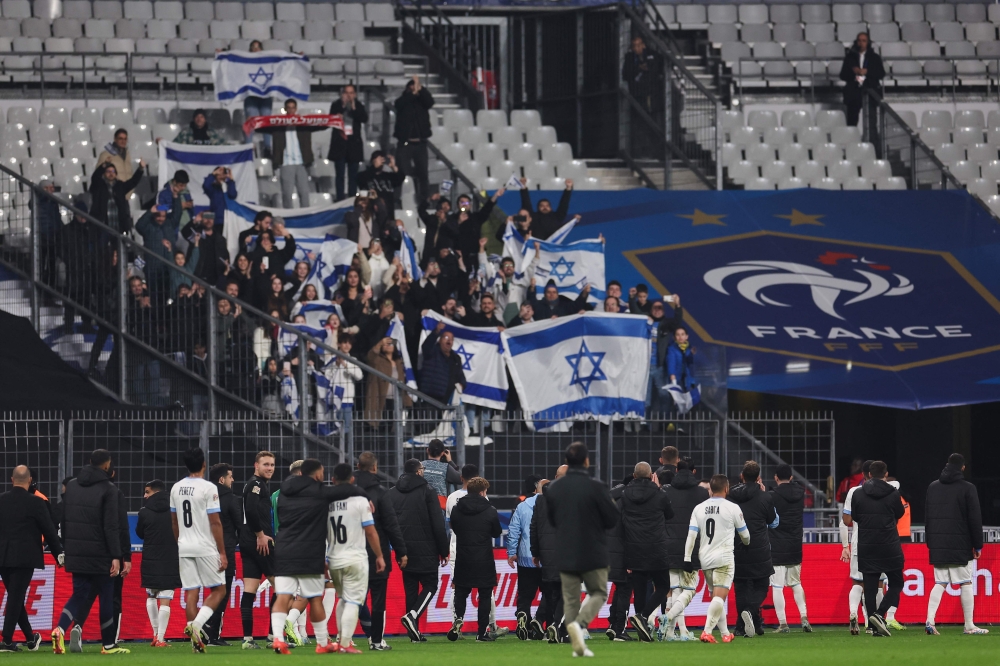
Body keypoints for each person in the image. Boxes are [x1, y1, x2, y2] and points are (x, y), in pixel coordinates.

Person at [270, 460, 373, 654]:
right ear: (317, 475)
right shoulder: (319, 492)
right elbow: (345, 490)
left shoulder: (283, 492)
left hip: (284, 549)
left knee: (283, 596)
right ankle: (322, 642)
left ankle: (277, 638)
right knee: (315, 598)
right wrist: (366, 495)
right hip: (310, 552)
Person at [544, 442, 620, 658]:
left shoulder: (555, 488)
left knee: (570, 598)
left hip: (565, 550)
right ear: (587, 461)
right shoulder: (597, 486)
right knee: (598, 592)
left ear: (567, 462)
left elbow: (552, 520)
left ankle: (575, 643)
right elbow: (612, 518)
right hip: (593, 550)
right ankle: (579, 624)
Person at [52, 449, 126, 654]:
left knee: (78, 595)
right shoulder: (108, 489)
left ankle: (59, 629)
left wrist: (68, 547)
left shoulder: (73, 486)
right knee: (106, 595)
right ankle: (109, 644)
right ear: (106, 465)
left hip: (76, 551)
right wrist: (116, 556)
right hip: (101, 553)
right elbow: (111, 526)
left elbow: (65, 520)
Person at [169, 447, 228, 652]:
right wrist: (222, 552)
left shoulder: (176, 488)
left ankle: (196, 643)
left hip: (184, 546)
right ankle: (196, 625)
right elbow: (215, 522)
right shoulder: (208, 488)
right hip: (205, 546)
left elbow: (174, 521)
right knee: (219, 589)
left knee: (191, 592)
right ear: (204, 464)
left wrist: (180, 543)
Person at [0, 465, 62, 652]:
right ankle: (7, 641)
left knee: (15, 597)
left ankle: (29, 637)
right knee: (16, 597)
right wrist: (59, 554)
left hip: (2, 556)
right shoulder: (36, 502)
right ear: (29, 481)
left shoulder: (1, 500)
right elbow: (49, 530)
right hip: (25, 557)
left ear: (12, 480)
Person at [924, 453, 987, 635]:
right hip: (960, 543)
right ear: (963, 467)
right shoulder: (968, 488)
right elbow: (974, 518)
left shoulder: (933, 487)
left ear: (946, 465)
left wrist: (931, 542)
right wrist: (978, 544)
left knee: (940, 582)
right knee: (966, 582)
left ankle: (930, 620)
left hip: (938, 543)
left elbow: (928, 517)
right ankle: (969, 625)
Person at [387, 458, 449, 643]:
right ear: (419, 472)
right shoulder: (427, 491)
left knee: (411, 590)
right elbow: (438, 524)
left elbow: (390, 523)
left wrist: (398, 549)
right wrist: (443, 549)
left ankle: (414, 633)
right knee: (431, 585)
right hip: (427, 548)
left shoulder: (392, 493)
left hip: (403, 549)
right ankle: (412, 616)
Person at [685, 474, 750, 643]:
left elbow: (691, 536)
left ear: (711, 489)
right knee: (719, 598)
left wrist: (686, 557)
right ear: (727, 488)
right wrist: (744, 541)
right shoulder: (732, 508)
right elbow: (746, 536)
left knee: (716, 597)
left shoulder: (698, 508)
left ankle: (725, 634)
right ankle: (707, 631)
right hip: (724, 558)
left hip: (705, 558)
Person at [843, 460, 904, 638]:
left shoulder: (858, 494)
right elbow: (900, 513)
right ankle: (880, 614)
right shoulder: (892, 493)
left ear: (869, 474)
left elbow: (855, 517)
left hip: (866, 544)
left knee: (868, 587)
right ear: (886, 475)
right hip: (889, 544)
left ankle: (872, 624)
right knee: (897, 582)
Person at [353, 452, 407, 651]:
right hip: (377, 555)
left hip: (350, 553)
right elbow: (391, 525)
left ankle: (345, 639)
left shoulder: (345, 491)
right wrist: (401, 552)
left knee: (352, 599)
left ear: (358, 466)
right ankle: (376, 641)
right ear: (374, 468)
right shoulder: (380, 491)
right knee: (378, 600)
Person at [622, 462, 674, 643]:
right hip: (656, 547)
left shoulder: (625, 494)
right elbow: (670, 514)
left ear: (634, 476)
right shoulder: (660, 494)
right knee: (663, 586)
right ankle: (642, 617)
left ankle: (641, 627)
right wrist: (657, 488)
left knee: (639, 588)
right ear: (652, 475)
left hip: (633, 548)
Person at [658, 459, 709, 641]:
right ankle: (677, 628)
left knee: (673, 589)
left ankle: (673, 632)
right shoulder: (702, 493)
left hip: (669, 545)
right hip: (692, 548)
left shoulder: (666, 491)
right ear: (693, 472)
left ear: (676, 470)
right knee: (687, 590)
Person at [447, 477, 503, 642]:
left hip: (463, 556)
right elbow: (496, 532)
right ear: (482, 492)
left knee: (461, 592)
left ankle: (458, 620)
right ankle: (481, 633)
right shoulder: (490, 510)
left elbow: (455, 528)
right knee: (485, 594)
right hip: (483, 557)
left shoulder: (457, 509)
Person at [728, 460, 777, 638]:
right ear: (758, 478)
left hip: (736, 546)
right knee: (762, 585)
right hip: (759, 547)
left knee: (741, 587)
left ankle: (743, 627)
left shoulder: (730, 496)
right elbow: (773, 521)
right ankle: (750, 612)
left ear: (742, 476)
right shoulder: (765, 497)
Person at [134, 479, 180, 648]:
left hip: (150, 557)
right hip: (171, 556)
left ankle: (155, 635)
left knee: (151, 594)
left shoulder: (144, 511)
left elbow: (139, 533)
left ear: (154, 492)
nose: (145, 496)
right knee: (166, 598)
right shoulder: (175, 509)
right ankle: (160, 638)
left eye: (147, 492)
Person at [239, 451, 277, 648]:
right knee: (282, 588)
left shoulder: (255, 484)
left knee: (249, 590)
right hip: (259, 543)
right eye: (266, 464)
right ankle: (273, 637)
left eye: (272, 464)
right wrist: (260, 535)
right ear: (256, 465)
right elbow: (251, 509)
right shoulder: (256, 484)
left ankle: (247, 640)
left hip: (247, 543)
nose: (270, 468)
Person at [203, 463, 243, 646]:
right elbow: (239, 526)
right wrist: (236, 540)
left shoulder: (203, 498)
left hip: (204, 549)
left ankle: (206, 627)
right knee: (223, 593)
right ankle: (211, 632)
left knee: (213, 591)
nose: (232, 480)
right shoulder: (232, 499)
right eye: (230, 476)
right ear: (222, 479)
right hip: (224, 550)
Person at [769, 464, 811, 633]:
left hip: (777, 545)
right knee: (796, 583)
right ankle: (804, 617)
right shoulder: (800, 494)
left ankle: (783, 623)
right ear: (791, 477)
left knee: (777, 586)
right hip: (795, 544)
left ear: (776, 477)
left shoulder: (772, 496)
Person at [530, 469, 566, 642]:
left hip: (547, 552)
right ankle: (557, 627)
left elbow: (534, 527)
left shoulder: (541, 499)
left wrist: (536, 552)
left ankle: (548, 624)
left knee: (551, 591)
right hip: (569, 552)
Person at [506, 475, 544, 641]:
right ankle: (540, 622)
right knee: (550, 594)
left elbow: (514, 531)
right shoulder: (553, 506)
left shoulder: (522, 506)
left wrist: (511, 552)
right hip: (546, 558)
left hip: (525, 557)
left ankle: (524, 618)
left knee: (525, 595)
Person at [839, 32, 884, 154]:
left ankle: (874, 148)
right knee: (852, 120)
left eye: (864, 40)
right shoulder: (850, 57)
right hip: (854, 92)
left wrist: (867, 72)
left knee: (872, 121)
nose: (861, 43)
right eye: (859, 40)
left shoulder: (874, 57)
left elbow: (881, 73)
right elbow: (842, 75)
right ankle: (851, 147)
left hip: (870, 92)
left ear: (868, 42)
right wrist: (854, 73)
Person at [394, 75, 434, 205]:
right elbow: (399, 104)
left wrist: (420, 89)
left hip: (420, 144)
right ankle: (398, 199)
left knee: (423, 174)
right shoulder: (403, 101)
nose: (414, 89)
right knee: (401, 173)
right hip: (405, 144)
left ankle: (423, 200)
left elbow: (430, 101)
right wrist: (413, 93)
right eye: (412, 87)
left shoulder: (422, 103)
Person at [328, 84, 368, 201]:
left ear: (355, 94)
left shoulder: (359, 105)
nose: (349, 95)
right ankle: (340, 199)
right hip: (340, 144)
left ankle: (351, 199)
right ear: (342, 93)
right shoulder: (336, 105)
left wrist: (353, 107)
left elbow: (363, 118)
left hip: (353, 146)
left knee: (353, 176)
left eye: (351, 93)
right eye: (346, 92)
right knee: (340, 175)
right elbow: (330, 120)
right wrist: (343, 106)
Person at [272, 99, 313, 209]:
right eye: (288, 108)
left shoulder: (303, 124)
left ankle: (306, 216)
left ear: (296, 109)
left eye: (293, 107)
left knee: (304, 193)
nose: (291, 110)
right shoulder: (278, 125)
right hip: (286, 162)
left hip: (301, 163)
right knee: (287, 194)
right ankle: (289, 218)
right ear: (285, 109)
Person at [88, 160, 146, 235]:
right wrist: (103, 166)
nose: (111, 173)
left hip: (118, 227)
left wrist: (140, 169)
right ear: (104, 173)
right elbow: (95, 177)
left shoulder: (120, 186)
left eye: (113, 171)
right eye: (108, 171)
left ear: (116, 174)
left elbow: (133, 182)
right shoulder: (98, 185)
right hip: (101, 227)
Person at [419, 323, 467, 407]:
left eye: (451, 339)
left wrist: (462, 384)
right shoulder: (432, 351)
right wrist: (436, 331)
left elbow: (460, 375)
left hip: (447, 400)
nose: (449, 340)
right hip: (430, 398)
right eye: (446, 337)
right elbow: (426, 346)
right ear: (440, 340)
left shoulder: (456, 358)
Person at [622, 36, 663, 117]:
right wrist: (638, 68)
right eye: (634, 46)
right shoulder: (629, 57)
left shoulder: (652, 55)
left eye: (638, 45)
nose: (636, 48)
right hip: (635, 91)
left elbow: (658, 67)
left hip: (650, 91)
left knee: (650, 113)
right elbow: (625, 74)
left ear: (643, 45)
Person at [244, 39, 274, 151]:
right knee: (250, 121)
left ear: (261, 49)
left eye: (258, 46)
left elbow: (282, 60)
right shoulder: (245, 62)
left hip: (265, 96)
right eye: (253, 47)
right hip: (251, 96)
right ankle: (247, 148)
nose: (256, 49)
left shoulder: (269, 61)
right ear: (250, 50)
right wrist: (222, 53)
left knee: (266, 122)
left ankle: (267, 148)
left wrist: (296, 56)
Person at [357, 151, 405, 216]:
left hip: (389, 213)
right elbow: (360, 193)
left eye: (383, 159)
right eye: (379, 158)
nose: (382, 161)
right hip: (373, 213)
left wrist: (393, 166)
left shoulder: (388, 176)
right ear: (373, 160)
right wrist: (372, 195)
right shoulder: (364, 176)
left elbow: (401, 178)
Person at [424, 438, 463, 502]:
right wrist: (450, 461)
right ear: (442, 453)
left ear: (428, 450)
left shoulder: (419, 466)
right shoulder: (445, 467)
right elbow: (461, 479)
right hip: (440, 507)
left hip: (422, 504)